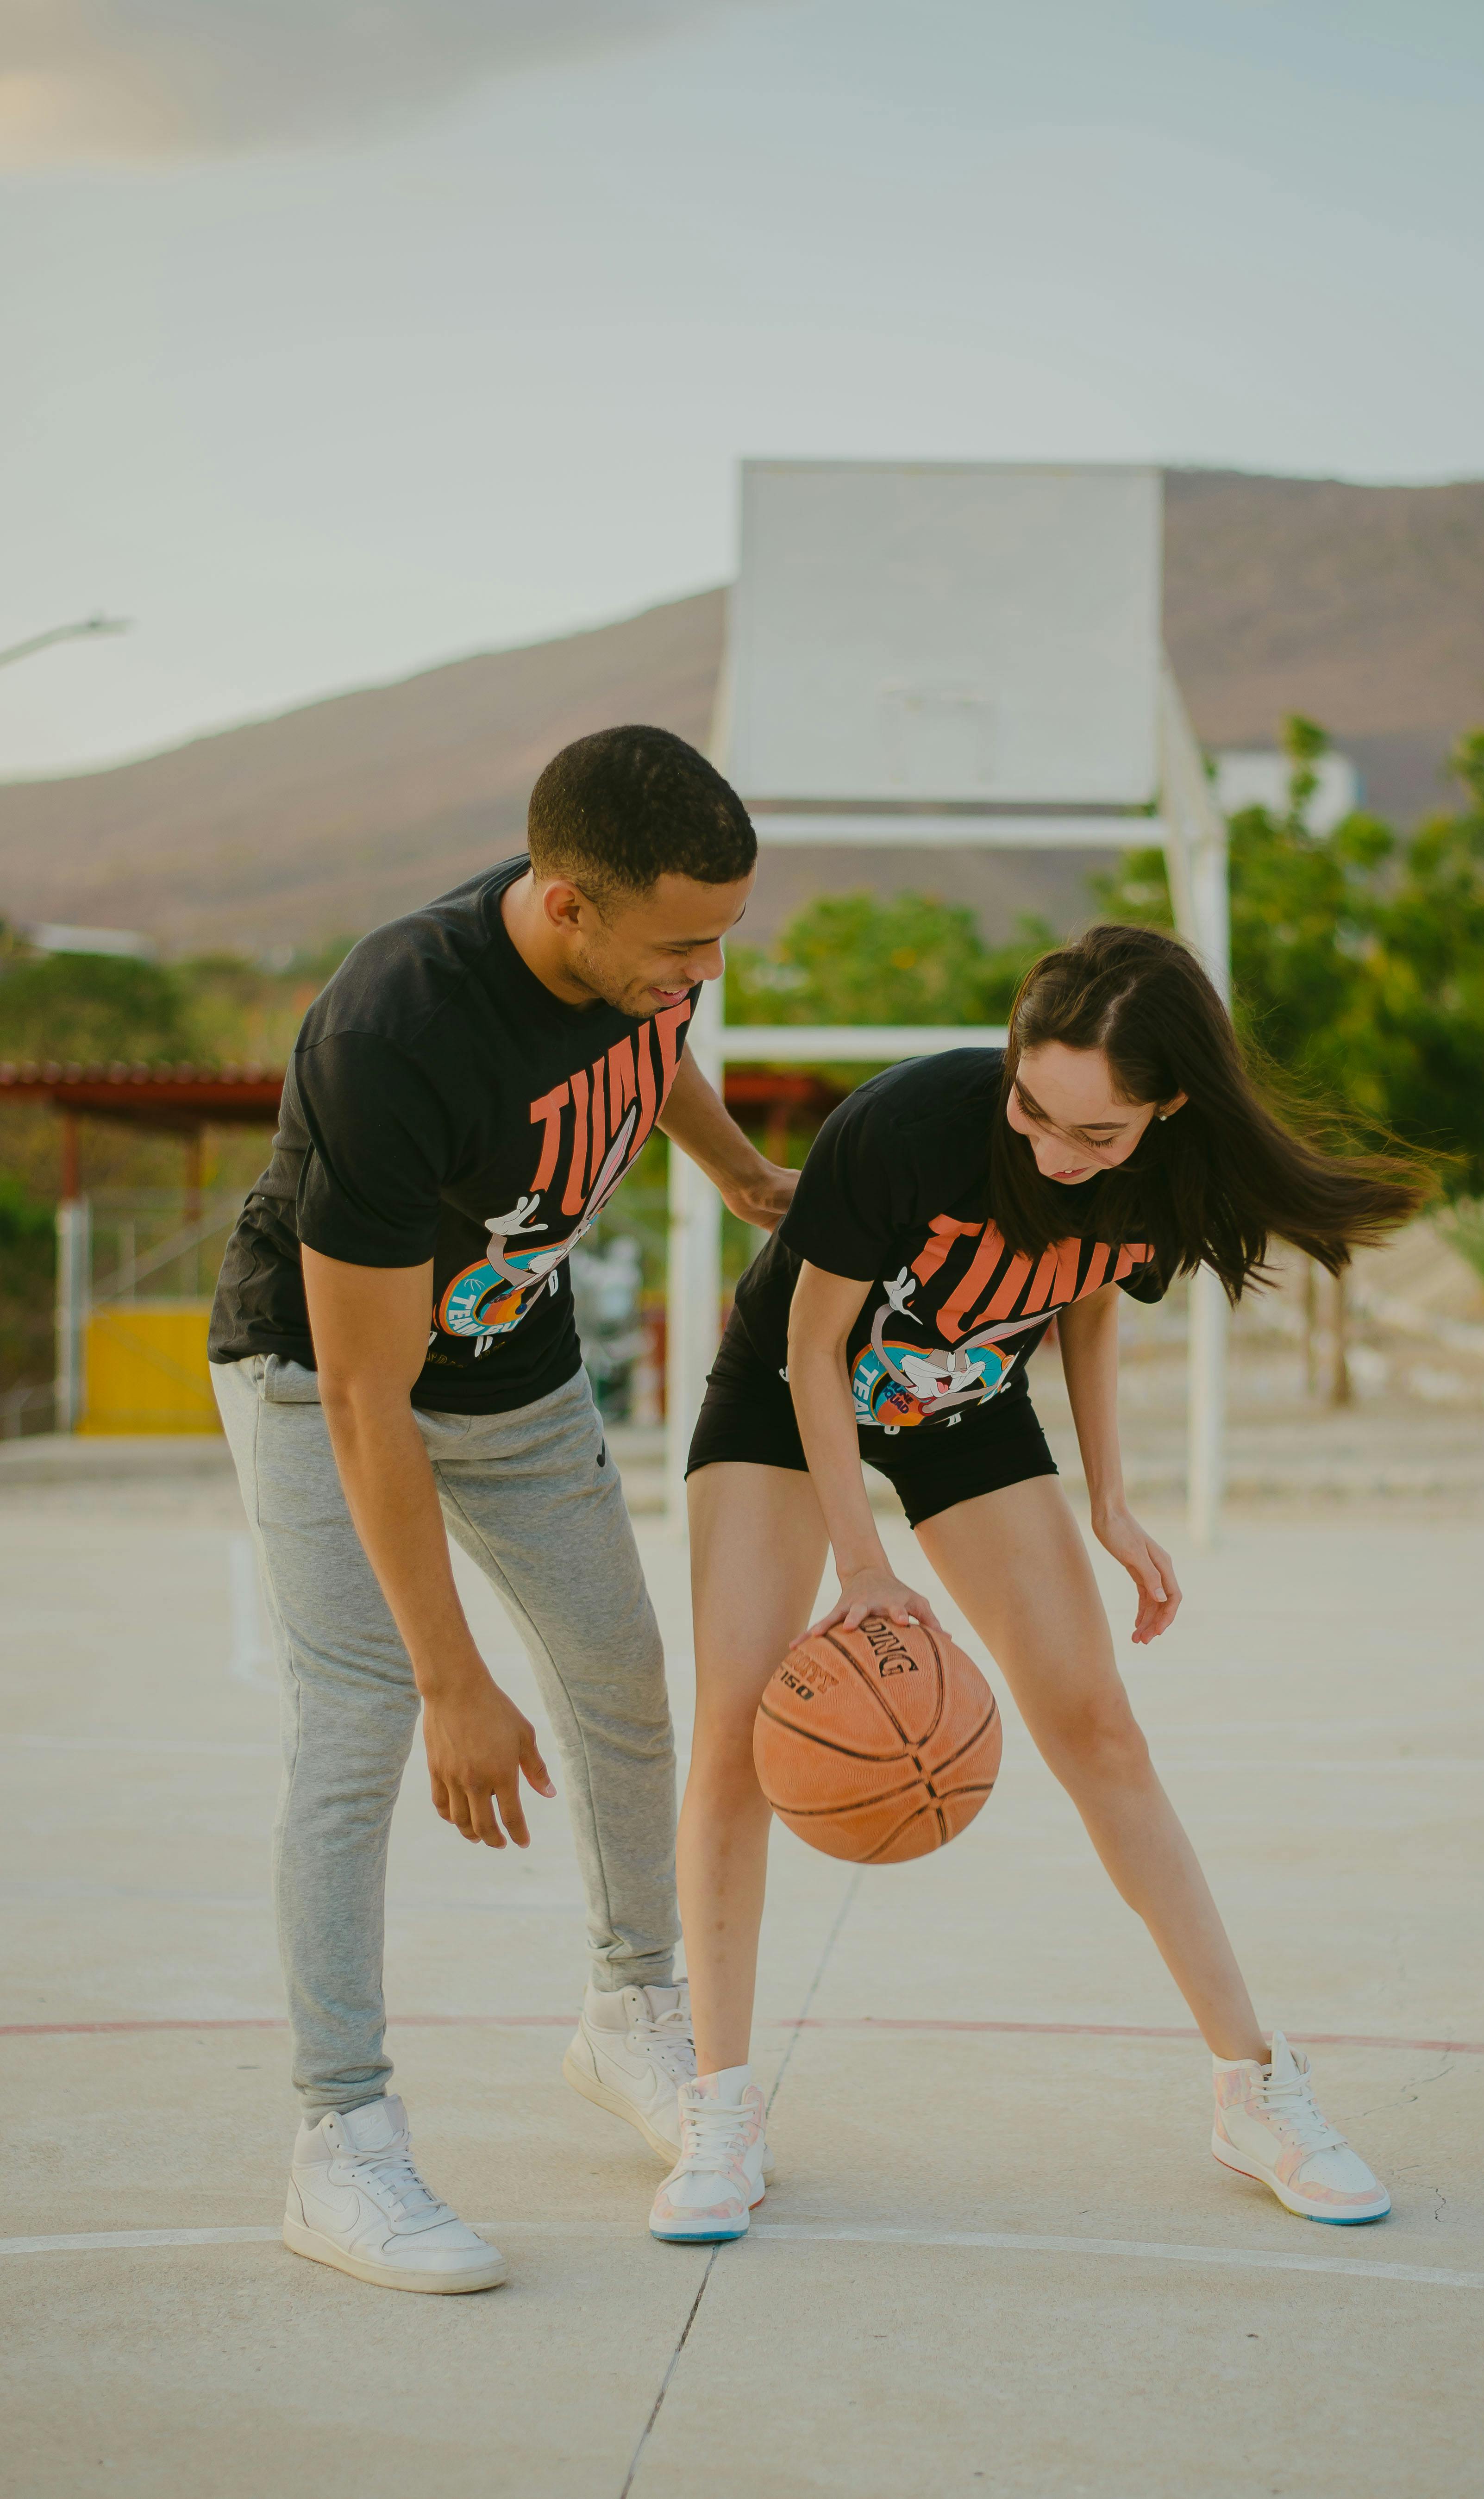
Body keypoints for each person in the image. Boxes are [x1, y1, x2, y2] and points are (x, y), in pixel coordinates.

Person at [651, 920, 1427, 2244]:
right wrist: (865, 1567)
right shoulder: (903, 1131)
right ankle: (719, 2104)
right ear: (1009, 1063)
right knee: (735, 1718)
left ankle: (1256, 2088)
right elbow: (811, 1346)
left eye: (1093, 1137)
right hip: (793, 1399)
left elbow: (1084, 1303)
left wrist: (1110, 1500)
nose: (1051, 1152)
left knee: (1097, 1724)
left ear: (1166, 1109)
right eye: (1031, 1110)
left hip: (966, 1403)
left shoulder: (1167, 1175)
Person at [208, 725, 795, 2295]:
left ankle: (629, 2014)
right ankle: (339, 2143)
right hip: (325, 1378)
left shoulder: (635, 973)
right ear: (562, 907)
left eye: (723, 937)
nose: (705, 975)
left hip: (517, 1370)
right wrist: (456, 1675)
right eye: (683, 944)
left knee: (622, 1676)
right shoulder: (395, 1033)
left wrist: (741, 1175)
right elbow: (357, 1398)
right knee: (363, 1719)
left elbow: (647, 1051)